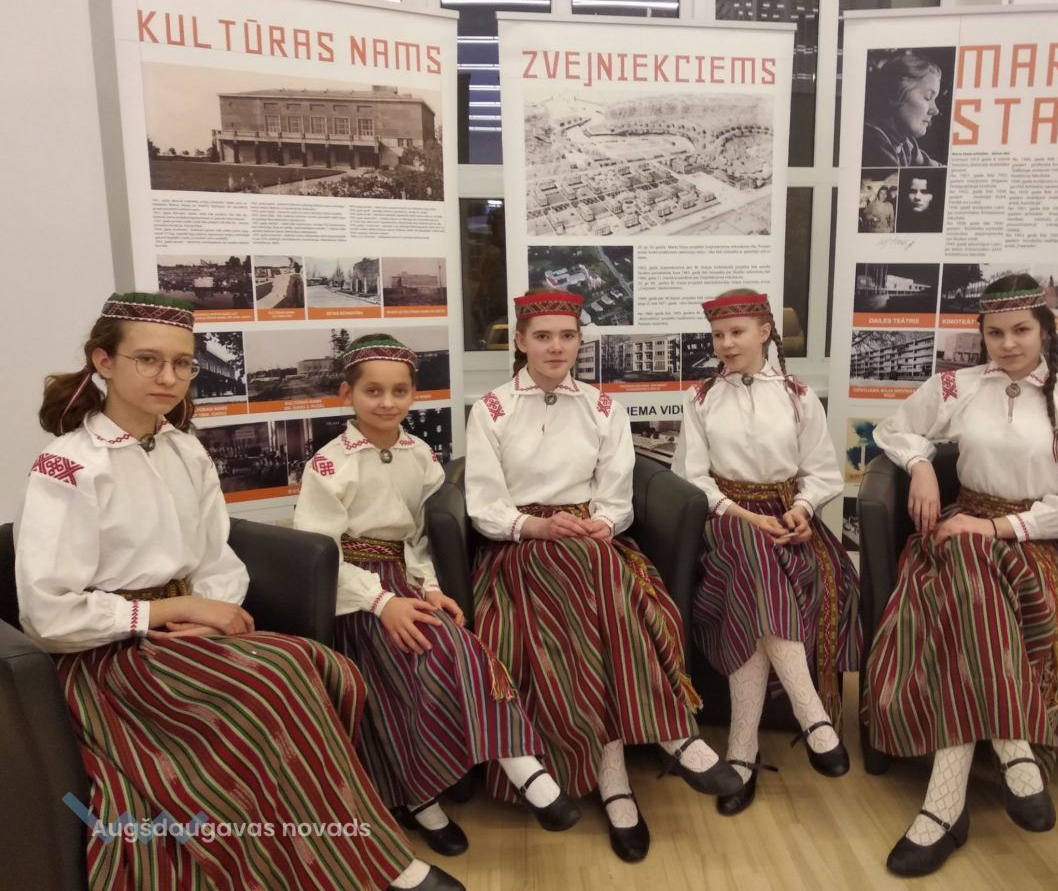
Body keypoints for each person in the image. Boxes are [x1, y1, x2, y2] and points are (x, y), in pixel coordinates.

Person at [15, 293, 462, 891]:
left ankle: (322, 845)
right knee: (270, 687)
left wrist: (212, 610)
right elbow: (48, 614)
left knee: (324, 668)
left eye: (182, 363)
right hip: (110, 655)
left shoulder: (184, 447)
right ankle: (374, 865)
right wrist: (174, 609)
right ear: (104, 362)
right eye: (148, 360)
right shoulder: (68, 467)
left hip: (189, 631)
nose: (168, 377)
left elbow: (216, 555)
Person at [465, 290, 739, 863]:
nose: (556, 347)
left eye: (567, 336)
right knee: (593, 582)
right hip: (520, 548)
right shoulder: (490, 409)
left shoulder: (603, 406)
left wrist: (603, 524)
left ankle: (618, 780)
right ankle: (657, 749)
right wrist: (535, 528)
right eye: (543, 336)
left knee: (598, 575)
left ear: (579, 343)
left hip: (590, 542)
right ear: (521, 342)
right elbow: (485, 505)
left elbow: (617, 495)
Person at [293, 333, 580, 858]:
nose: (388, 403)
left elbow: (421, 537)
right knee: (404, 669)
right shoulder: (328, 466)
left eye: (399, 391)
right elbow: (320, 555)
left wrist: (429, 588)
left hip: (404, 580)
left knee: (463, 649)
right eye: (373, 391)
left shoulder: (420, 453)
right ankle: (421, 801)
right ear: (347, 394)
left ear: (413, 394)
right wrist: (382, 603)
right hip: (354, 594)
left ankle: (525, 772)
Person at [865, 274, 1058, 877]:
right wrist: (921, 465)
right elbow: (893, 428)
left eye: (1021, 330)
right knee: (968, 567)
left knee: (965, 581)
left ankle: (943, 808)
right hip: (960, 532)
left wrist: (995, 528)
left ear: (1044, 331)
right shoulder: (958, 385)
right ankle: (1014, 752)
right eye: (995, 333)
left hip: (1037, 545)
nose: (1008, 344)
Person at [674, 290, 861, 816]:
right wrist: (745, 515)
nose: (727, 344)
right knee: (752, 556)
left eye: (737, 332)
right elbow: (692, 478)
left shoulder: (799, 396)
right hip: (724, 522)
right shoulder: (700, 399)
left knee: (755, 581)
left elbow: (821, 472)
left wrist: (802, 511)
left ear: (764, 332)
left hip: (787, 521)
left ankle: (741, 754)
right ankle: (812, 717)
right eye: (718, 335)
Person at [862, 52, 945, 168]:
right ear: (896, 92)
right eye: (928, 97)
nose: (935, 110)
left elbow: (930, 164)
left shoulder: (904, 142)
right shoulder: (874, 142)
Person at [895, 169, 947, 233]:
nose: (917, 197)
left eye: (924, 192)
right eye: (913, 191)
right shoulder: (900, 224)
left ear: (933, 196)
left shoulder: (939, 226)